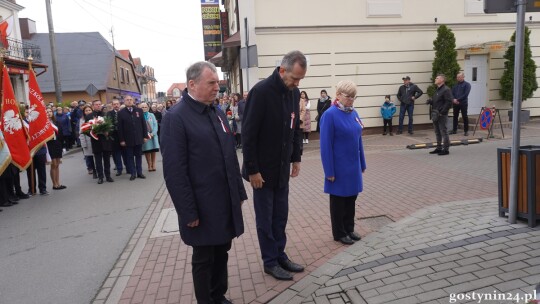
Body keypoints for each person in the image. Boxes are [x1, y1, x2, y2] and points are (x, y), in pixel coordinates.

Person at [161, 61, 246, 304]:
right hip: (201, 204)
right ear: (191, 84)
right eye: (211, 83)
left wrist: (238, 193)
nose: (217, 88)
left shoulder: (216, 112)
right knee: (204, 257)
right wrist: (188, 212)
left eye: (217, 83)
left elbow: (229, 156)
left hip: (223, 200)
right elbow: (175, 172)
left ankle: (218, 295)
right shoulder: (175, 118)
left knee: (222, 251)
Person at [242, 50, 306, 281]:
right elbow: (248, 135)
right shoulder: (260, 92)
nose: (297, 83)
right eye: (294, 78)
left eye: (300, 79)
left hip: (281, 169)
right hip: (262, 171)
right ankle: (269, 261)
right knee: (265, 219)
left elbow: (295, 128)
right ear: (282, 70)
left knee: (280, 216)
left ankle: (280, 254)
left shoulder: (293, 92)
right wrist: (252, 170)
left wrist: (296, 157)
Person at [320, 80, 366, 245]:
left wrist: (362, 162)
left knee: (351, 198)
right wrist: (329, 171)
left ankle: (349, 228)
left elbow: (358, 138)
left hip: (353, 165)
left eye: (354, 97)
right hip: (338, 166)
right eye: (348, 96)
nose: (351, 100)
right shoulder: (330, 115)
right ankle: (339, 232)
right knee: (339, 201)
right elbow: (325, 146)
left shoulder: (353, 113)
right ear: (338, 95)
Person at [117, 95, 148, 181]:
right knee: (130, 157)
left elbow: (143, 124)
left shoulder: (139, 110)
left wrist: (145, 136)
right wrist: (122, 140)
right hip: (128, 139)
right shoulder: (121, 113)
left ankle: (139, 172)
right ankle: (133, 173)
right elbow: (120, 128)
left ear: (133, 101)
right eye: (127, 100)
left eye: (131, 100)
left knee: (138, 156)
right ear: (124, 101)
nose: (129, 101)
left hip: (138, 138)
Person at [427, 74, 453, 156]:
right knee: (437, 132)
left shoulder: (446, 89)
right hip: (435, 114)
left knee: (443, 131)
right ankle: (439, 148)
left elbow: (449, 102)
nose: (435, 79)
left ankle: (446, 149)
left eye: (437, 78)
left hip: (441, 114)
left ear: (442, 80)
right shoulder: (438, 89)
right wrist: (431, 101)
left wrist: (443, 112)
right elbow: (438, 101)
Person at [88, 100, 114, 184]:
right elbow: (86, 130)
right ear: (93, 106)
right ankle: (100, 177)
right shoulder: (89, 116)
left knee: (107, 159)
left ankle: (108, 176)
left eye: (99, 104)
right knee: (98, 160)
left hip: (106, 140)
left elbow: (111, 127)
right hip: (96, 141)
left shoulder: (105, 115)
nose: (98, 106)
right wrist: (94, 133)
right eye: (96, 104)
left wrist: (108, 132)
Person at [46, 108, 66, 190]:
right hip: (50, 144)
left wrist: (63, 146)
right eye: (47, 112)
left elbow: (61, 134)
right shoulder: (44, 124)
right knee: (53, 164)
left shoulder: (57, 122)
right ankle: (54, 184)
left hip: (57, 144)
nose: (49, 113)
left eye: (50, 111)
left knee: (57, 164)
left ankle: (58, 183)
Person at [107, 99, 126, 176]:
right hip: (114, 137)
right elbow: (109, 124)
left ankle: (128, 167)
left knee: (125, 153)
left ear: (119, 104)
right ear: (112, 105)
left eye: (117, 104)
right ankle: (119, 169)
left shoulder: (123, 112)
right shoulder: (109, 113)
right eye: (114, 104)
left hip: (124, 136)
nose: (116, 105)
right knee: (117, 154)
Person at [140, 102, 159, 171]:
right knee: (147, 150)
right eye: (142, 107)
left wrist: (153, 133)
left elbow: (155, 125)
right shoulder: (139, 116)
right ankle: (149, 165)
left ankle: (153, 164)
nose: (144, 108)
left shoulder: (151, 115)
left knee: (153, 150)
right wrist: (146, 134)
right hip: (145, 136)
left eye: (145, 107)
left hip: (153, 135)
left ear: (148, 108)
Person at [80, 105, 96, 179]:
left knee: (97, 157)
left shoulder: (95, 118)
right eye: (86, 110)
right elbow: (81, 133)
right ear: (84, 112)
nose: (88, 112)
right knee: (90, 157)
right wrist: (83, 144)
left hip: (95, 140)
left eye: (89, 110)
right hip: (87, 141)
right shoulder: (82, 120)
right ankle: (93, 170)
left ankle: (98, 170)